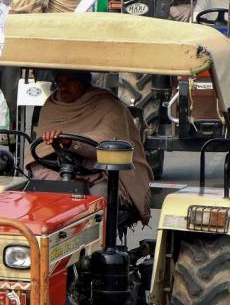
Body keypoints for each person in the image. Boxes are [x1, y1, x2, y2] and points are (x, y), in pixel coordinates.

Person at [28, 71, 153, 226]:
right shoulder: (52, 105)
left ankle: (102, 245)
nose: (63, 87)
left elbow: (108, 142)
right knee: (32, 199)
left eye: (70, 81)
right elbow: (42, 148)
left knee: (98, 202)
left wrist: (71, 142)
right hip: (55, 170)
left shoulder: (108, 105)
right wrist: (51, 140)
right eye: (59, 82)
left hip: (100, 173)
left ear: (84, 82)